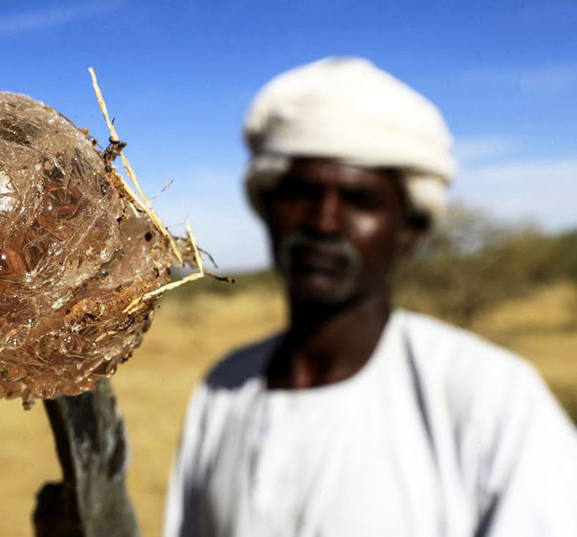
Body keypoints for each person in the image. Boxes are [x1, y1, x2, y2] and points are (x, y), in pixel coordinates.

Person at [163, 57, 577, 537]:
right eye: (301, 192)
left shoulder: (492, 399)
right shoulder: (224, 388)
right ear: (268, 209)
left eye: (359, 199)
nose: (323, 221)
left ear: (409, 231)